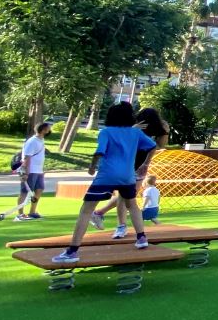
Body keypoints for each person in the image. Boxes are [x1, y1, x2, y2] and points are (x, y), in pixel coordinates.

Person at [53, 102, 156, 263]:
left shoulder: (106, 132)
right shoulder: (135, 133)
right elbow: (152, 146)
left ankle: (72, 251)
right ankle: (142, 238)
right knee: (133, 206)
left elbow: (99, 152)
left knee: (86, 210)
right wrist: (145, 164)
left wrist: (92, 168)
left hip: (107, 175)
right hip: (128, 176)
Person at [91, 108, 170, 235]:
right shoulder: (131, 126)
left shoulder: (156, 127)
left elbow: (160, 145)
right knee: (125, 197)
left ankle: (100, 214)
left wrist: (166, 132)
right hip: (125, 165)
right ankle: (119, 225)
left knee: (127, 197)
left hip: (140, 166)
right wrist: (132, 129)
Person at [16, 122, 53, 221]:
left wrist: (42, 170)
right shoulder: (32, 141)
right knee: (25, 192)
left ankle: (32, 212)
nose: (50, 130)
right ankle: (20, 214)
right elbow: (27, 157)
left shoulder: (41, 140)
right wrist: (26, 173)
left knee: (39, 190)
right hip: (30, 171)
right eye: (48, 129)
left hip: (38, 171)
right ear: (43, 129)